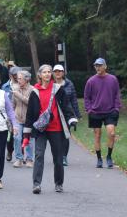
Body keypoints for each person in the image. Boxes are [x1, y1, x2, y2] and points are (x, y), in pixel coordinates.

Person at [24, 64, 74, 194]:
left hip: (56, 128)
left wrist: (71, 119)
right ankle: (36, 184)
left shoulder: (58, 89)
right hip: (41, 129)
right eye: (44, 72)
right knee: (39, 155)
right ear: (39, 75)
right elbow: (30, 114)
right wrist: (26, 135)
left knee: (58, 157)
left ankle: (59, 184)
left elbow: (66, 106)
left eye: (49, 72)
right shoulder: (35, 91)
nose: (47, 74)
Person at [84, 57, 121, 169]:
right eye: (96, 65)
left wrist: (116, 108)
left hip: (110, 111)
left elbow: (117, 94)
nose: (98, 67)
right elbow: (86, 97)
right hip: (95, 112)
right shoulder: (91, 81)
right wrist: (89, 109)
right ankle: (99, 159)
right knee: (97, 135)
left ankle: (109, 156)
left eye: (100, 65)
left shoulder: (113, 79)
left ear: (105, 66)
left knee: (111, 133)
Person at [52, 64, 81, 166]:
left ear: (63, 73)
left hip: (66, 114)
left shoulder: (69, 84)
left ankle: (64, 157)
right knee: (55, 137)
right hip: (54, 114)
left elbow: (74, 100)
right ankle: (57, 156)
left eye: (60, 71)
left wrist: (76, 115)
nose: (58, 73)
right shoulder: (50, 84)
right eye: (55, 71)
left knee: (65, 136)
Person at [11, 69, 34, 168]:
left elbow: (30, 103)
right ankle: (19, 159)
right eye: (17, 78)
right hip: (17, 119)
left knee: (28, 139)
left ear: (27, 79)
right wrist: (10, 118)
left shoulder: (32, 89)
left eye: (20, 78)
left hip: (29, 119)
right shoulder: (15, 89)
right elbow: (12, 105)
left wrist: (18, 95)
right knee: (17, 138)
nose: (18, 80)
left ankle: (29, 159)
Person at [1, 66, 20, 161]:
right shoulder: (5, 87)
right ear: (10, 75)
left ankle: (20, 154)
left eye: (18, 74)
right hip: (9, 114)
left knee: (19, 135)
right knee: (10, 136)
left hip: (20, 113)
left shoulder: (23, 84)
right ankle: (9, 151)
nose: (17, 77)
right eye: (15, 75)